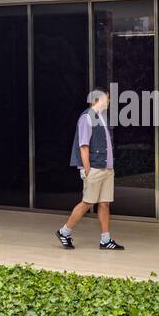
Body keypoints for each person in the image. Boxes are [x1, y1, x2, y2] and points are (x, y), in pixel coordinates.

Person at [57, 88, 125, 250]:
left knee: (105, 204)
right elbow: (83, 146)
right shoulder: (87, 118)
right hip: (94, 168)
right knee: (87, 202)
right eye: (106, 99)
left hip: (107, 168)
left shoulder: (101, 118)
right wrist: (87, 169)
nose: (108, 102)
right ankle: (64, 232)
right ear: (97, 100)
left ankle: (105, 240)